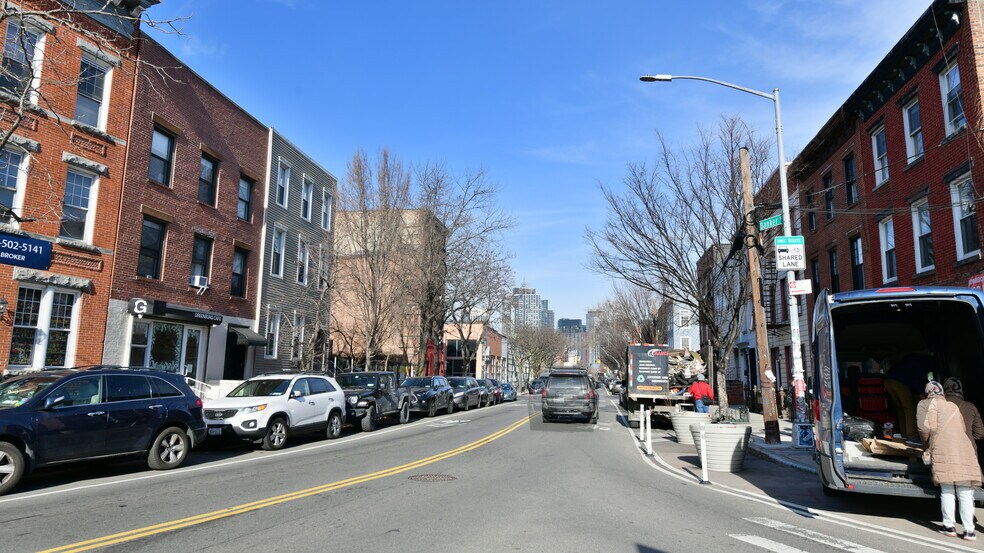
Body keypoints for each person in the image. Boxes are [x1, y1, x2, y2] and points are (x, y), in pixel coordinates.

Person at [918, 380, 982, 541]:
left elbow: (926, 429)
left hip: (944, 452)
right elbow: (964, 429)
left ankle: (949, 526)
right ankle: (969, 530)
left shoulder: (929, 405)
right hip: (965, 451)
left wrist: (925, 443)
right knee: (966, 493)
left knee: (947, 491)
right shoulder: (953, 407)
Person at [886, 352, 934, 439]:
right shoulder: (923, 363)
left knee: (901, 408)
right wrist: (921, 394)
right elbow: (916, 379)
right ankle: (912, 435)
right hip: (900, 382)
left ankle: (903, 432)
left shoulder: (911, 360)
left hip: (888, 381)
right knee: (909, 408)